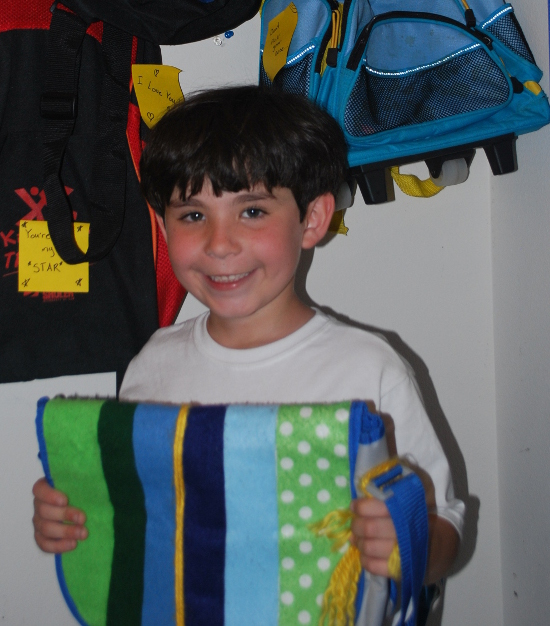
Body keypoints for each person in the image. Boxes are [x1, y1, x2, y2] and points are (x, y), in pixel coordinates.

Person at [33, 85, 463, 585]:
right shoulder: (152, 366)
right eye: (193, 215)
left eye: (252, 211)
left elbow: (443, 524)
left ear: (313, 219)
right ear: (164, 227)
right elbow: (137, 518)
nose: (219, 244)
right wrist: (73, 518)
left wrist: (410, 541)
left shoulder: (368, 370)